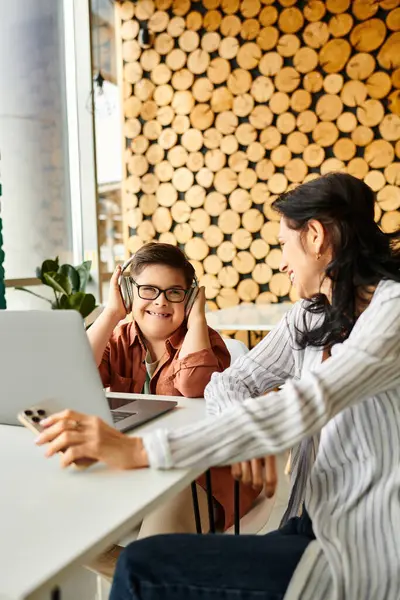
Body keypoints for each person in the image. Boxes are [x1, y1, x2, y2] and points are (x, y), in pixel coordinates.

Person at [36, 173, 400, 600]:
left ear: (316, 237)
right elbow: (230, 383)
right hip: (309, 521)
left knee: (139, 568)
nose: (281, 262)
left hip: (363, 550)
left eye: (284, 244)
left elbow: (308, 401)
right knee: (140, 563)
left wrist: (136, 449)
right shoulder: (311, 315)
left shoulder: (391, 310)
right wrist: (248, 436)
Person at [84, 243, 260, 577]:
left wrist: (197, 318)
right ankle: (152, 573)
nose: (161, 301)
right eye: (148, 290)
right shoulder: (118, 337)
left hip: (198, 474)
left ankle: (151, 571)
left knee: (151, 551)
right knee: (70, 533)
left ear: (189, 298)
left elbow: (194, 384)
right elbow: (76, 373)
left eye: (174, 292)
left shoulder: (207, 342)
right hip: (139, 467)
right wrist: (109, 314)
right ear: (127, 293)